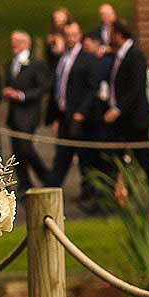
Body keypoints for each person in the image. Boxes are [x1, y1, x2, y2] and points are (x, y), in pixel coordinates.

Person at [103, 19, 149, 198]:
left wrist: (118, 109)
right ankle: (123, 193)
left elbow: (136, 88)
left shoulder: (135, 55)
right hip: (124, 121)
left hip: (135, 119)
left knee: (144, 160)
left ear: (118, 34)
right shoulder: (119, 55)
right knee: (119, 158)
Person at [47, 19, 100, 196]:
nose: (70, 38)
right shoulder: (62, 58)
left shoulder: (88, 58)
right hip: (64, 116)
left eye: (73, 35)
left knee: (85, 159)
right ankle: (50, 192)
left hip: (80, 119)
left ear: (79, 36)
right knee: (61, 158)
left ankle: (92, 195)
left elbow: (92, 88)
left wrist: (81, 112)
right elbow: (57, 86)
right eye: (67, 35)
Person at [2, 30, 51, 193]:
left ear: (25, 44)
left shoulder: (36, 64)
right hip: (14, 114)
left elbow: (43, 87)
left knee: (26, 148)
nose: (13, 45)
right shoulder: (10, 64)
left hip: (29, 113)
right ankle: (24, 183)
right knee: (17, 151)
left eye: (16, 41)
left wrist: (22, 95)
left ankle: (46, 177)